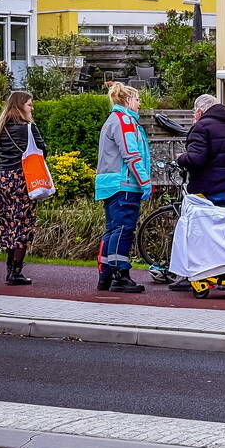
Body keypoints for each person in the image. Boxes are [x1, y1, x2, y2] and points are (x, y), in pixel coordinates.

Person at [95, 82, 152, 293]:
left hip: (109, 184)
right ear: (127, 100)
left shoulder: (112, 120)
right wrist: (145, 182)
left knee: (112, 229)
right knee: (123, 229)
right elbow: (131, 154)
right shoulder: (125, 121)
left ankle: (106, 276)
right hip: (125, 184)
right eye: (137, 99)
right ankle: (121, 275)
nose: (140, 103)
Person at [0, 91, 45, 286]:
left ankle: (9, 268)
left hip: (3, 178)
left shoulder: (1, 126)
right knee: (23, 224)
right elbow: (42, 149)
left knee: (8, 223)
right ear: (20, 106)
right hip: (23, 178)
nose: (32, 108)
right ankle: (15, 271)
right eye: (29, 104)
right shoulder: (29, 127)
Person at [176, 94, 225, 207]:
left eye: (194, 112)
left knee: (203, 218)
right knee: (223, 217)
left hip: (207, 187)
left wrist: (181, 158)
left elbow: (195, 159)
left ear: (199, 111)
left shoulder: (202, 126)